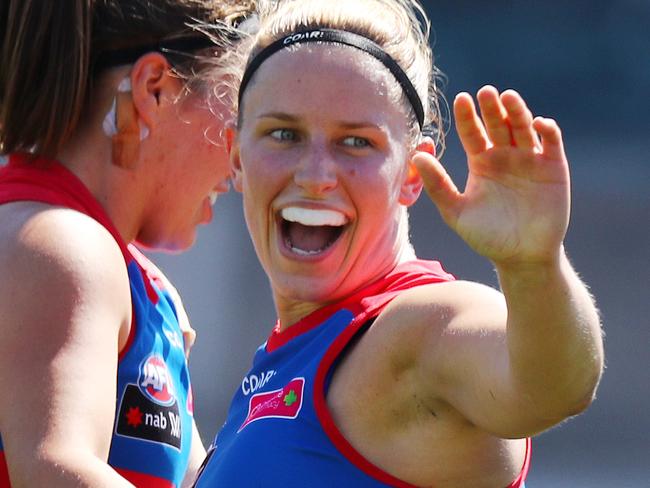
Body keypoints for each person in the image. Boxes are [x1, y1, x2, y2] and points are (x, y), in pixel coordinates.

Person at [192, 0, 605, 486]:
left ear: (413, 172)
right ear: (236, 157)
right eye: (284, 134)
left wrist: (534, 269)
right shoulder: (281, 364)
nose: (315, 175)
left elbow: (550, 387)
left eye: (356, 142)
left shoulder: (416, 326)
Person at [0, 1, 255, 486]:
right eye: (241, 111)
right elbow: (56, 471)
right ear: (153, 90)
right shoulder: (62, 248)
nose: (241, 164)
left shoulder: (132, 279)